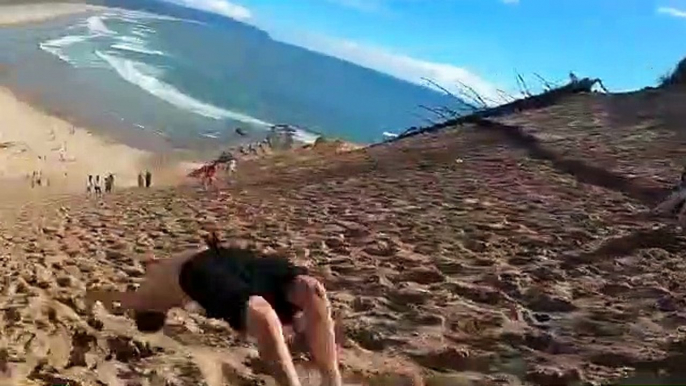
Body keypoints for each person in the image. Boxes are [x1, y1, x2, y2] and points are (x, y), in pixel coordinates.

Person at [87, 235, 342, 386]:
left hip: (226, 259)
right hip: (208, 265)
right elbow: (117, 298)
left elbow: (114, 297)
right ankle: (324, 378)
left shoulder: (154, 294)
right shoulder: (147, 298)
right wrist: (94, 297)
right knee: (285, 302)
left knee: (311, 290)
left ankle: (332, 380)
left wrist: (94, 298)